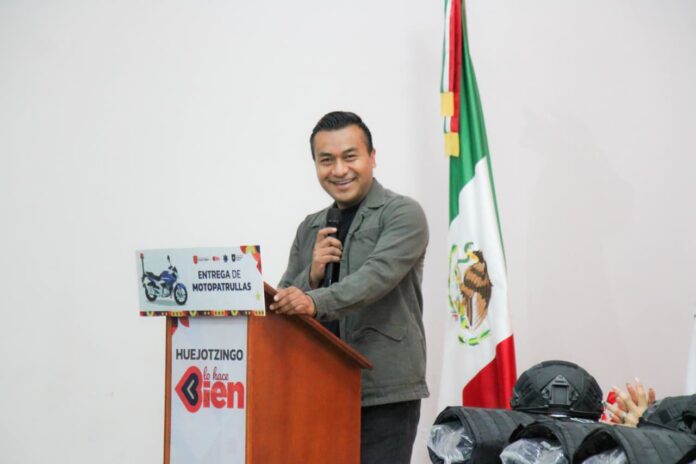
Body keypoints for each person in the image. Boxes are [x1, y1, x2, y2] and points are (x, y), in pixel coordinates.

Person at [269, 111, 429, 464]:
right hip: (318, 385)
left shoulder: (402, 214)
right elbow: (284, 298)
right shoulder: (310, 226)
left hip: (384, 390)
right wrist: (311, 275)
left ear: (372, 157)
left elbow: (375, 278)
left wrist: (313, 300)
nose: (339, 170)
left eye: (350, 156)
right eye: (326, 160)